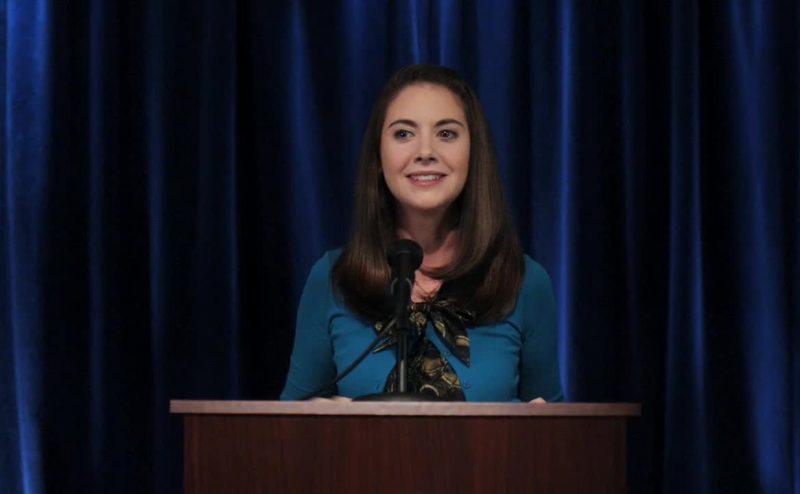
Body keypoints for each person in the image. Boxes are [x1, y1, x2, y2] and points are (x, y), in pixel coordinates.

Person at [280, 64, 563, 402]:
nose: (425, 152)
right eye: (403, 134)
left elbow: (552, 423)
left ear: (474, 154)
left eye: (446, 134)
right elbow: (289, 422)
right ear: (377, 157)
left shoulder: (524, 281)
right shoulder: (332, 278)